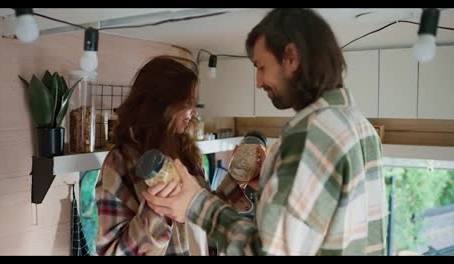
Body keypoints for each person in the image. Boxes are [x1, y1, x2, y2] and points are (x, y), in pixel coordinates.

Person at [143, 8, 388, 256]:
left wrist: (197, 204)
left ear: (291, 57)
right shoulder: (361, 128)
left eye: (261, 67)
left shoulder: (309, 135)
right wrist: (274, 183)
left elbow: (266, 252)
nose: (258, 82)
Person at [95, 55, 212, 255]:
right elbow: (112, 252)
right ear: (162, 105)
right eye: (187, 103)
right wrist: (158, 210)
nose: (194, 112)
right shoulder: (120, 163)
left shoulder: (188, 155)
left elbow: (207, 217)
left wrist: (236, 181)